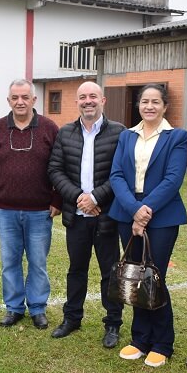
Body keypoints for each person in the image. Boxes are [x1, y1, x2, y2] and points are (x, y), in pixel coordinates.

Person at [108, 84, 187, 367]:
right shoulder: (127, 136)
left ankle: (163, 343)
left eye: (155, 102)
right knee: (134, 274)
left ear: (165, 106)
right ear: (138, 105)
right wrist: (134, 210)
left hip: (161, 216)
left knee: (155, 276)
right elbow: (116, 175)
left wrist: (146, 211)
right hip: (127, 213)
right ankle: (139, 339)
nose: (150, 106)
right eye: (145, 101)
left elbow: (173, 178)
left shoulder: (176, 136)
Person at [47, 81, 125, 347]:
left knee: (110, 272)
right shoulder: (65, 133)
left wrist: (95, 198)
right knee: (76, 270)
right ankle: (72, 318)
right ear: (77, 102)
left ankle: (113, 323)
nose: (88, 101)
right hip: (76, 215)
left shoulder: (119, 132)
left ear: (103, 100)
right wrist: (79, 198)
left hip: (106, 217)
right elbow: (55, 170)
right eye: (83, 97)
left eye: (93, 96)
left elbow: (122, 173)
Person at [0, 79, 62, 329]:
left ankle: (37, 308)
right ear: (8, 101)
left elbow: (60, 166)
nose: (20, 102)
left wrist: (57, 199)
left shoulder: (49, 129)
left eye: (25, 97)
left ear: (34, 100)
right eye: (15, 98)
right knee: (10, 262)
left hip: (40, 211)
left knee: (38, 263)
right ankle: (14, 308)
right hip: (5, 211)